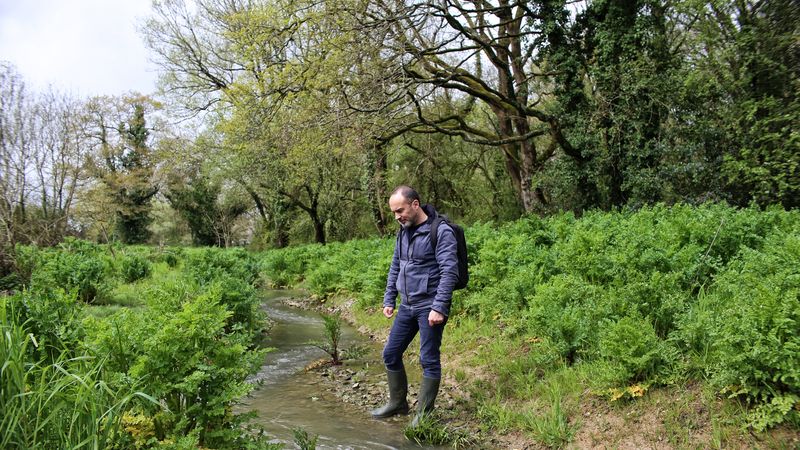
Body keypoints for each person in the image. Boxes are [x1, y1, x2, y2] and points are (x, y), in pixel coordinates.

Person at [371, 185, 459, 427]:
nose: (397, 216)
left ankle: (424, 414)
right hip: (407, 305)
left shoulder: (440, 231)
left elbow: (449, 272)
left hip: (430, 305)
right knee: (390, 354)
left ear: (415, 204)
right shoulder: (404, 231)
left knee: (428, 359)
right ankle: (398, 403)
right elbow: (396, 266)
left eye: (400, 210)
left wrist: (439, 307)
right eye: (394, 213)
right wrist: (389, 298)